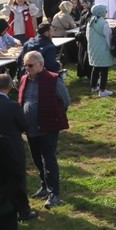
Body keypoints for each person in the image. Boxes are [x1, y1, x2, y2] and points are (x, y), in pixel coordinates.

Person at [0, 74, 34, 222]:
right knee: (17, 178)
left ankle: (0, 207)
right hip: (12, 148)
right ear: (10, 88)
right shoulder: (13, 106)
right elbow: (24, 126)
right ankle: (23, 210)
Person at [19, 50, 71, 210]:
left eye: (30, 65)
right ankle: (44, 186)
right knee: (36, 158)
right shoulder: (24, 79)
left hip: (48, 127)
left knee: (48, 159)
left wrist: (52, 115)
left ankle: (53, 193)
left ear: (41, 65)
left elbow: (65, 100)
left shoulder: (53, 79)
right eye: (25, 65)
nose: (27, 68)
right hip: (30, 128)